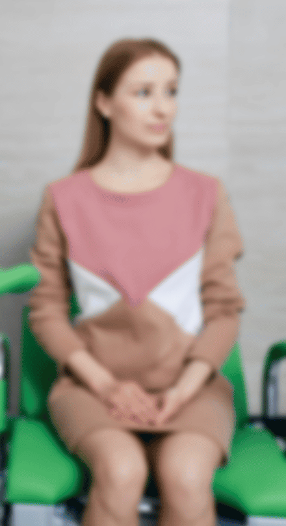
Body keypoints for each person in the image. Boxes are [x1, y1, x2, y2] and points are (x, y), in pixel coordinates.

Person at [28, 38, 244, 526]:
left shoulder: (205, 194)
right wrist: (108, 387)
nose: (162, 106)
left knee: (187, 476)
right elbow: (46, 310)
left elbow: (224, 311)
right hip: (92, 386)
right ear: (104, 102)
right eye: (143, 91)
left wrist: (184, 390)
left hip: (190, 386)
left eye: (171, 90)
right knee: (121, 472)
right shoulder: (64, 199)